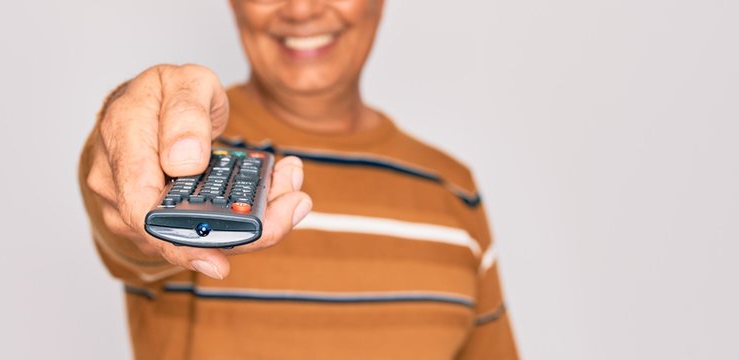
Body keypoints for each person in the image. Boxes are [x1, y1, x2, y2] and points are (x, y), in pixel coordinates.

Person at [79, 0, 520, 358]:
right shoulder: (178, 152)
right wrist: (125, 133)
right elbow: (123, 217)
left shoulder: (454, 190)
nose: (302, 8)